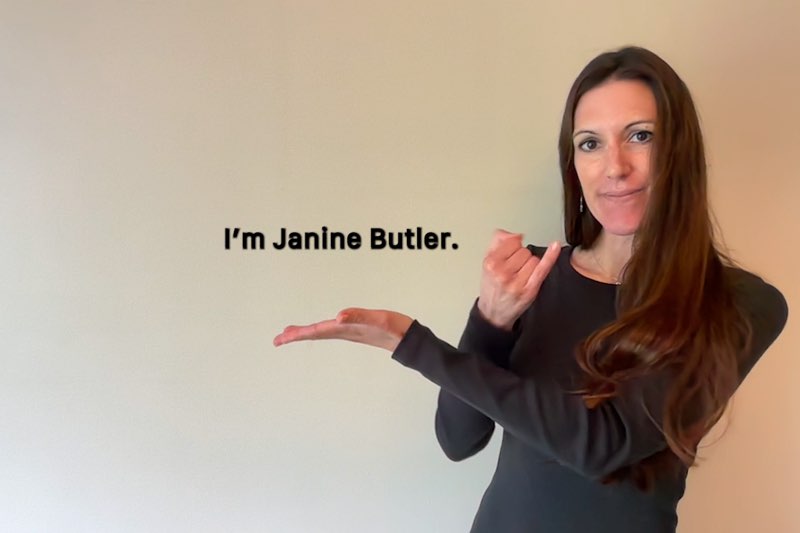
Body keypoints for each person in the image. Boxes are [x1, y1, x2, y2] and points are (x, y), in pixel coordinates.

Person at [272, 46, 789, 533]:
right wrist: (490, 322)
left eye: (640, 136)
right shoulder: (536, 276)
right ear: (574, 164)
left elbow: (602, 444)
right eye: (590, 143)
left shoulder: (740, 304)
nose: (614, 167)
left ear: (680, 149)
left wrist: (412, 343)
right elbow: (459, 439)